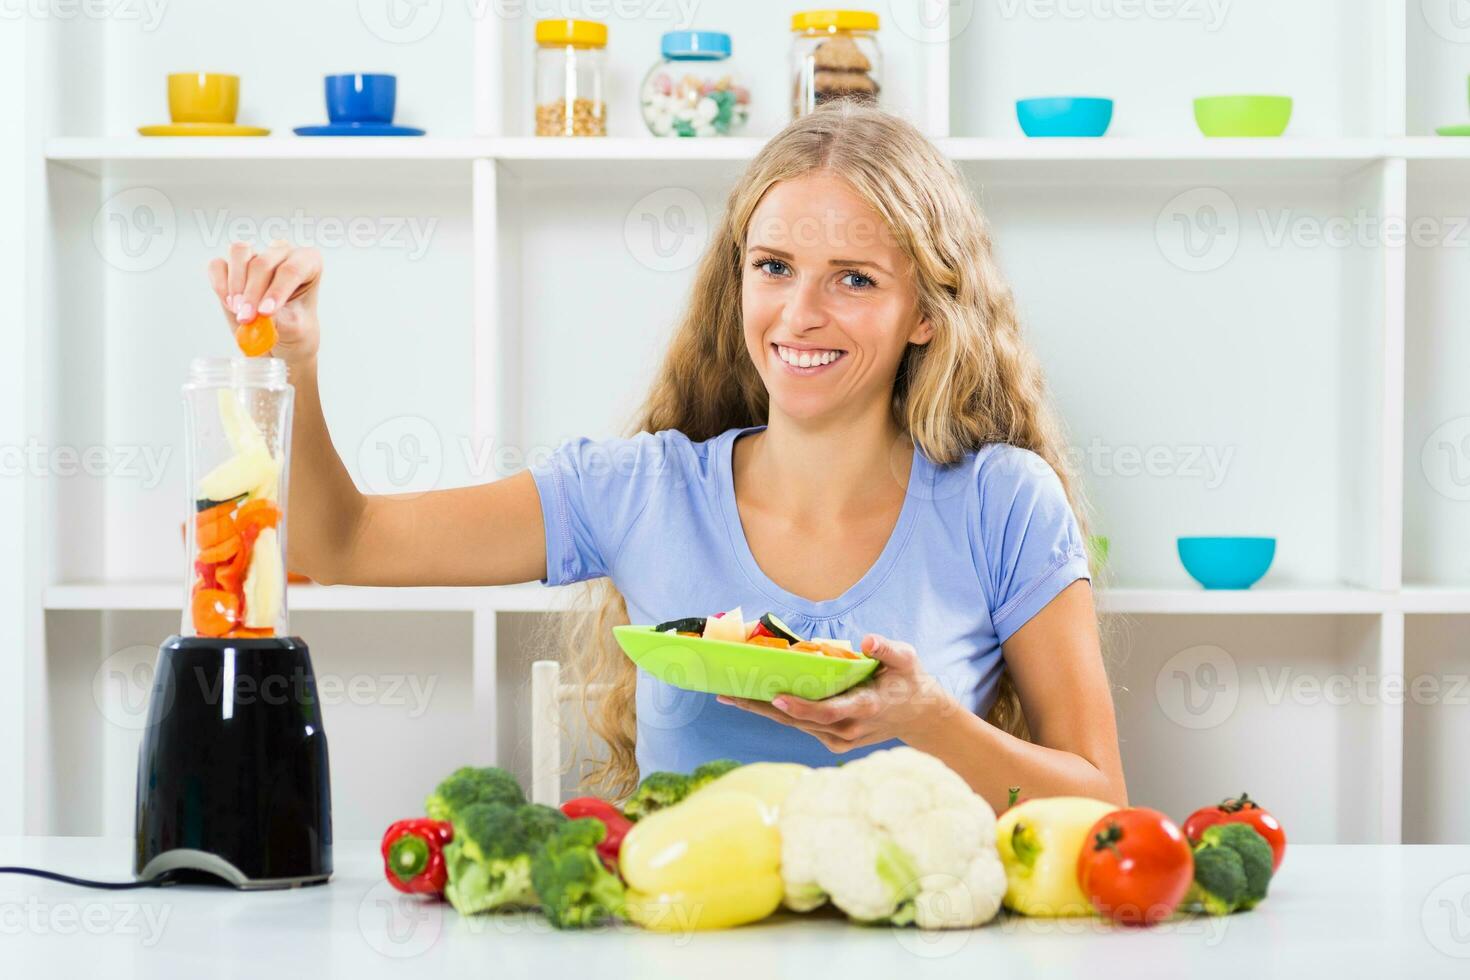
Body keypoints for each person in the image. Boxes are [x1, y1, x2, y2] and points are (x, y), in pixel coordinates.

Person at [207, 104, 1126, 813]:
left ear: (925, 311)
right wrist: (294, 362)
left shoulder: (1002, 503)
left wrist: (928, 722)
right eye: (772, 267)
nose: (800, 313)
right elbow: (345, 542)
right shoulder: (640, 490)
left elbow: (1100, 802)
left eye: (854, 278)